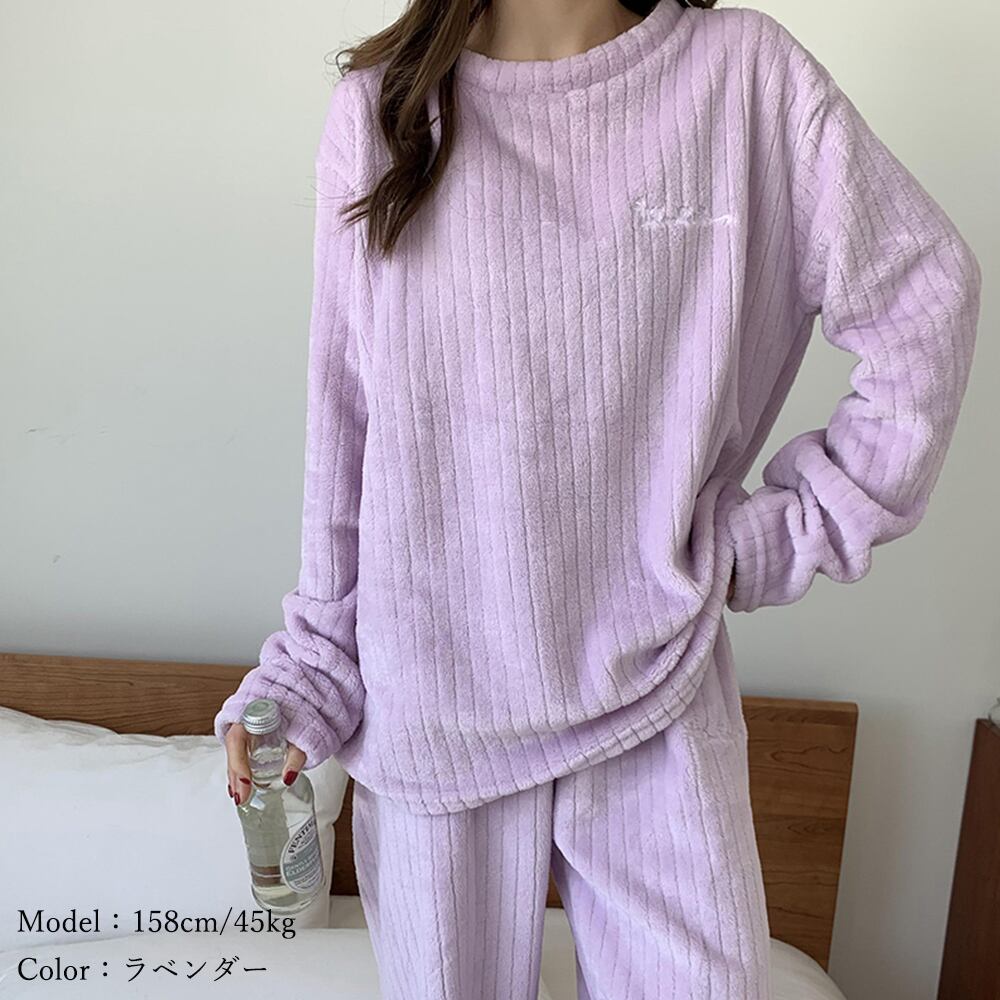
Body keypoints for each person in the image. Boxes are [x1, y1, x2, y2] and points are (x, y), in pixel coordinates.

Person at [214, 1, 982, 997]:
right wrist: (312, 671)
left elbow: (925, 304)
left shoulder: (743, 80)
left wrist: (772, 540)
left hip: (655, 689)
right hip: (433, 711)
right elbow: (349, 425)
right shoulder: (384, 112)